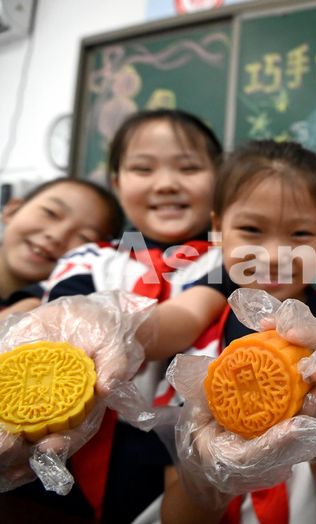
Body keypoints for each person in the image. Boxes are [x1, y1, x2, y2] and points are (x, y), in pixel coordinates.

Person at [0, 108, 224, 524]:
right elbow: (61, 313)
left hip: (164, 455)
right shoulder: (88, 255)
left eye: (188, 167)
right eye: (143, 168)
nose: (166, 182)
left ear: (219, 179)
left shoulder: (224, 262)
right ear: (118, 183)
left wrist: (119, 326)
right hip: (52, 442)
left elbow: (188, 317)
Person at [144, 139, 316, 524]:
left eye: (300, 234)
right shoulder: (191, 352)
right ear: (218, 230)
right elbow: (178, 517)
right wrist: (207, 473)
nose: (273, 255)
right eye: (251, 230)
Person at [0, 177, 123, 315]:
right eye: (50, 213)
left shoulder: (75, 319)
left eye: (84, 237)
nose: (57, 236)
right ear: (13, 210)